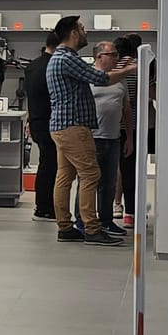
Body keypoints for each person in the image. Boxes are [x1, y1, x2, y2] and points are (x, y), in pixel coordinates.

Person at [46, 16, 135, 245]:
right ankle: (92, 229)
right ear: (73, 33)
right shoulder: (67, 58)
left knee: (65, 176)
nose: (85, 33)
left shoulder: (60, 58)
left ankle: (65, 227)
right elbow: (100, 78)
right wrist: (131, 69)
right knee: (91, 174)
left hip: (63, 125)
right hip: (73, 125)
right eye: (82, 29)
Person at [90, 40, 125, 235]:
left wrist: (129, 137)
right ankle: (84, 220)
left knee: (109, 183)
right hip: (92, 138)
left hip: (113, 138)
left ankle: (106, 220)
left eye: (116, 54)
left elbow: (127, 109)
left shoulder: (119, 80)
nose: (116, 58)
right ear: (99, 56)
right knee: (88, 182)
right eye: (112, 55)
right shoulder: (87, 77)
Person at [26, 34, 58, 220]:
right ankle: (44, 208)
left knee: (46, 163)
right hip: (50, 120)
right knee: (51, 165)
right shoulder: (53, 66)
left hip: (36, 120)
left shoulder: (33, 66)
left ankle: (44, 206)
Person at [114, 32, 143, 226]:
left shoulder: (111, 70)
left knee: (112, 170)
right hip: (131, 126)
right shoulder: (138, 69)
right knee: (130, 171)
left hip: (109, 127)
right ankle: (130, 213)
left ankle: (113, 207)